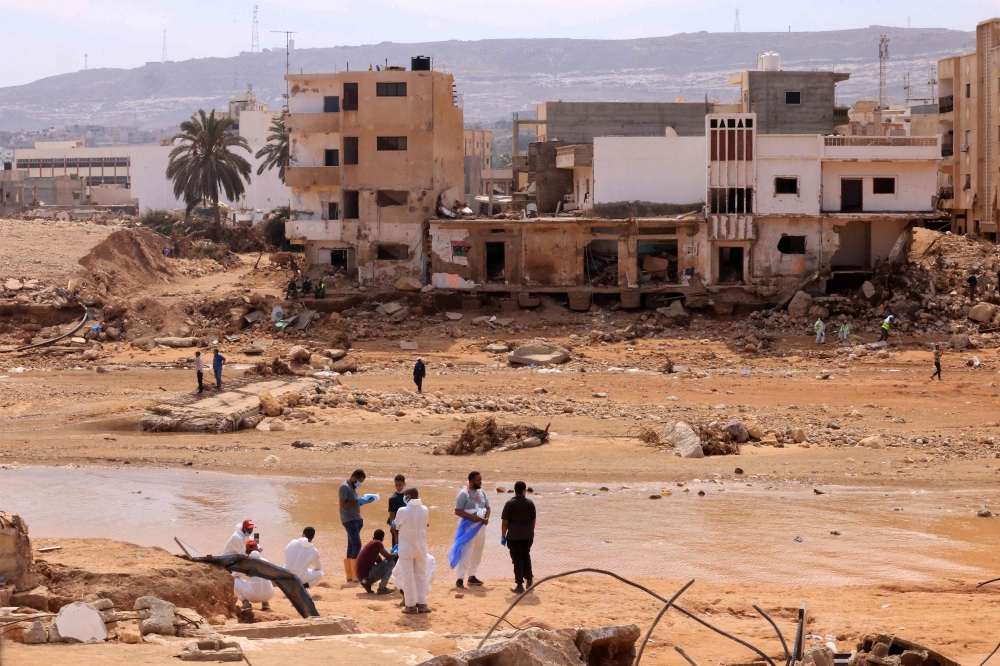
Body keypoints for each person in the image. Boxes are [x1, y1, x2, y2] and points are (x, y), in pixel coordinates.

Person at [394, 487, 432, 614]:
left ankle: (410, 605)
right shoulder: (425, 509)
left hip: (406, 547)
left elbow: (397, 525)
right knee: (421, 575)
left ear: (408, 497)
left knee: (407, 575)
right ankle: (422, 603)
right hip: (421, 547)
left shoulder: (402, 510)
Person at [452, 471, 490, 589]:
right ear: (472, 480)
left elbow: (488, 508)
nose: (480, 482)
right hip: (468, 528)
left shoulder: (482, 492)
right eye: (478, 480)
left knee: (477, 552)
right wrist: (473, 517)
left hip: (481, 527)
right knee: (467, 553)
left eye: (481, 480)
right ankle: (460, 578)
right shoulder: (463, 494)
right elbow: (457, 511)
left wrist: (486, 518)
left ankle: (472, 576)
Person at [339, 469, 378, 583]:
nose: (360, 483)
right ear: (355, 478)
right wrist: (357, 501)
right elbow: (343, 505)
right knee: (357, 544)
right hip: (348, 519)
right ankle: (356, 574)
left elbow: (353, 503)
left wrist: (364, 502)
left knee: (351, 545)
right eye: (359, 481)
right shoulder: (345, 487)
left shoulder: (353, 487)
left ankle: (350, 575)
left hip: (355, 518)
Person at [501, 481, 536, 594]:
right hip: (527, 536)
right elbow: (533, 521)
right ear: (524, 490)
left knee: (517, 560)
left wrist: (503, 536)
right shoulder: (530, 503)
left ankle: (519, 585)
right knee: (526, 557)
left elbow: (505, 522)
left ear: (515, 490)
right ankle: (529, 582)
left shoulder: (509, 504)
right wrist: (530, 531)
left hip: (514, 536)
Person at [232, 540, 274, 611]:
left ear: (247, 552)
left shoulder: (246, 563)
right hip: (269, 595)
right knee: (263, 580)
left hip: (253, 597)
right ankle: (265, 603)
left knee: (233, 579)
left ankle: (246, 603)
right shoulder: (265, 561)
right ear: (257, 550)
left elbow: (234, 575)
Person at [356, 529, 398, 595]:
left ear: (373, 537)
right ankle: (382, 588)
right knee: (391, 563)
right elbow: (389, 558)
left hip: (361, 578)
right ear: (382, 539)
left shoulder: (371, 544)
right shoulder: (377, 543)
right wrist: (396, 553)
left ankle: (367, 584)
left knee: (387, 563)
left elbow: (379, 561)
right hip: (365, 577)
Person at [388, 474, 407, 548]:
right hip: (397, 529)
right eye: (396, 485)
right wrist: (396, 536)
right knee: (396, 554)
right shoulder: (393, 499)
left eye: (400, 485)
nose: (398, 487)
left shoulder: (408, 496)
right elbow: (392, 518)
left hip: (406, 529)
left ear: (404, 484)